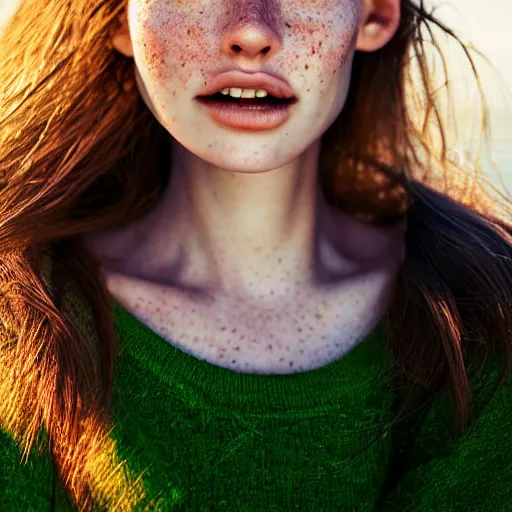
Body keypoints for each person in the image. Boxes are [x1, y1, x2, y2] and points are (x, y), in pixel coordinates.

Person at [0, 0, 510, 510]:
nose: (250, 31)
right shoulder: (16, 324)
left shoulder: (483, 326)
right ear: (117, 18)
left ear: (374, 14)